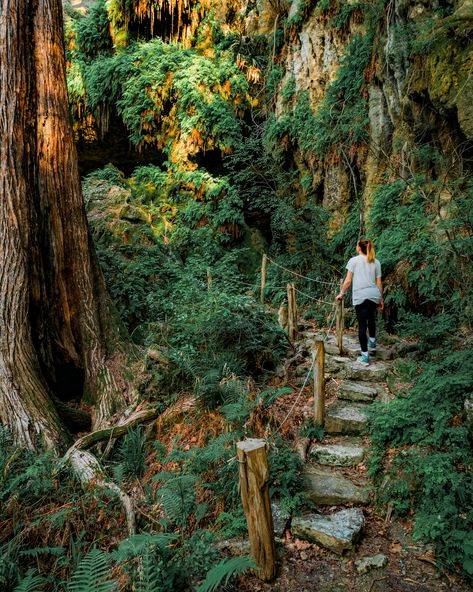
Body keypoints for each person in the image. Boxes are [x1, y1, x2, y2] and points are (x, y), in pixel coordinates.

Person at [336, 238, 384, 365]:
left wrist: (341, 294)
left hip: (361, 295)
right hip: (374, 295)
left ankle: (365, 357)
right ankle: (372, 344)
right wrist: (381, 298)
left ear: (359, 248)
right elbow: (379, 282)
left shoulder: (354, 261)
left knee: (362, 325)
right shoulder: (376, 262)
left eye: (357, 244)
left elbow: (347, 281)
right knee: (371, 318)